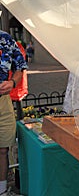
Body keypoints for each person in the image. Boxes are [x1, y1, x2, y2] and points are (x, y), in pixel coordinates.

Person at [0, 30, 28, 196]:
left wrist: (12, 82)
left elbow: (20, 65)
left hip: (3, 102)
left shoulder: (4, 38)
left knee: (3, 149)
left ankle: (2, 190)